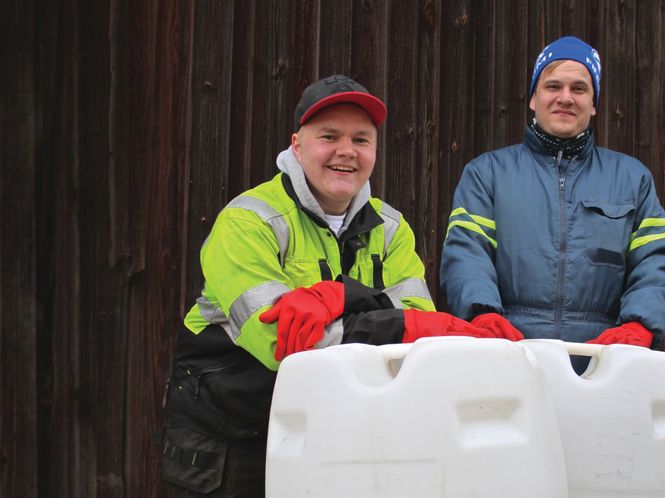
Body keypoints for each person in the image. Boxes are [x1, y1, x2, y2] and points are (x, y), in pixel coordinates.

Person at [161, 74, 495, 498]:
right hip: (229, 436)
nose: (346, 152)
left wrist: (343, 296)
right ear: (297, 145)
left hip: (333, 430)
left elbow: (417, 328)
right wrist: (394, 320)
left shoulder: (391, 228)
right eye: (329, 136)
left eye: (361, 139)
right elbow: (284, 345)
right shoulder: (247, 221)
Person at [440, 36, 665, 366]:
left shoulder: (632, 179)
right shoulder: (487, 174)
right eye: (553, 86)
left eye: (579, 89)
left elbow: (658, 261)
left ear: (594, 103)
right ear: (533, 98)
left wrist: (639, 324)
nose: (565, 98)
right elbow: (466, 254)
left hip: (603, 366)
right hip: (507, 360)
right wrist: (481, 314)